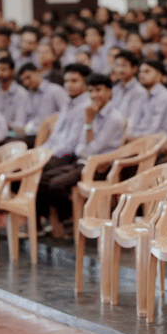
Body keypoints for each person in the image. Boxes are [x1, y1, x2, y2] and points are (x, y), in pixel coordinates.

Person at [40, 73, 126, 228]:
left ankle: (70, 219)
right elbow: (81, 148)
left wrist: (88, 123)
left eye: (99, 90)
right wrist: (89, 124)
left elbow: (91, 150)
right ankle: (63, 218)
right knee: (42, 178)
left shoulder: (114, 118)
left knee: (56, 184)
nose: (94, 95)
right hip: (82, 162)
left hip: (100, 167)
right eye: (91, 91)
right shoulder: (91, 113)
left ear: (109, 92)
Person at [17, 62, 69, 147]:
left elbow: (66, 113)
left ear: (37, 72)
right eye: (24, 80)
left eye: (28, 77)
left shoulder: (55, 90)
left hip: (50, 134)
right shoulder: (26, 96)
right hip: (30, 134)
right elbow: (20, 120)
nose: (27, 82)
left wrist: (51, 122)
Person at [126, 59, 167, 139]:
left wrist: (132, 138)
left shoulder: (165, 97)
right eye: (140, 72)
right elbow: (133, 123)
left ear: (159, 75)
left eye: (146, 72)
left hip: (154, 142)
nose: (141, 75)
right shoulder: (142, 95)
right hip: (136, 139)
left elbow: (155, 129)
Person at [109, 50, 145, 116]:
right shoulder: (115, 87)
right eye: (117, 65)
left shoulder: (139, 91)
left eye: (123, 65)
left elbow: (134, 119)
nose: (119, 70)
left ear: (134, 69)